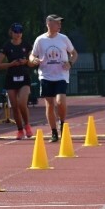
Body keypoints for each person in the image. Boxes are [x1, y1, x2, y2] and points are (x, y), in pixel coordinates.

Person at [29, 14, 77, 143]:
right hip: (46, 75)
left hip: (61, 75)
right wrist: (34, 60)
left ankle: (62, 123)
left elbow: (74, 53)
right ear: (49, 24)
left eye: (60, 23)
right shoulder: (40, 40)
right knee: (50, 104)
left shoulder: (64, 38)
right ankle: (54, 132)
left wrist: (70, 63)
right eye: (57, 23)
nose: (60, 25)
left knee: (60, 101)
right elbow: (32, 55)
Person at [0, 22, 34, 140]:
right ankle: (19, 130)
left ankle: (27, 125)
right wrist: (11, 64)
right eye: (16, 32)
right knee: (15, 106)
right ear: (11, 32)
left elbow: (32, 62)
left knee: (22, 102)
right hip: (11, 78)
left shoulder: (26, 45)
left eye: (20, 32)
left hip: (24, 77)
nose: (18, 34)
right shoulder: (7, 46)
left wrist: (26, 62)